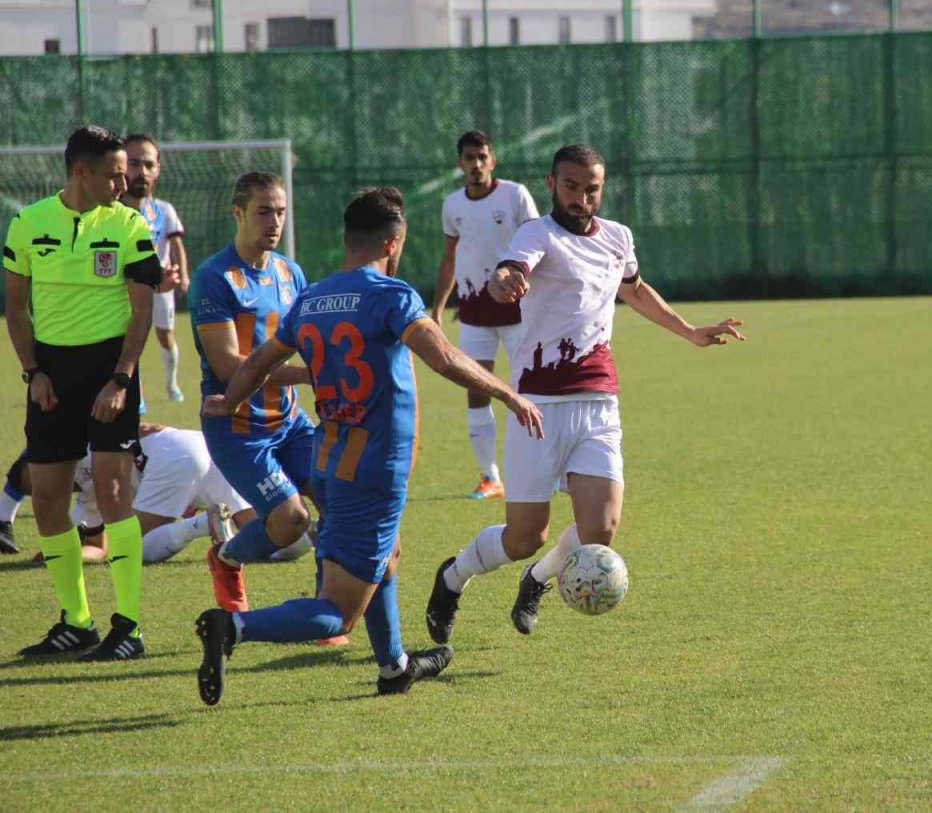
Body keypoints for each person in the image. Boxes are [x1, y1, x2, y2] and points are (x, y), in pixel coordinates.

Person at [194, 187, 544, 704]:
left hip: (329, 457)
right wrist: (508, 393)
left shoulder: (311, 299)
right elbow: (444, 357)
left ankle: (393, 666)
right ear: (392, 243)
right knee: (338, 612)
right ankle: (232, 627)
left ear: (346, 240)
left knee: (388, 555)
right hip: (374, 469)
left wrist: (228, 402)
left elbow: (258, 362)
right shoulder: (391, 295)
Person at [425, 144, 744, 643]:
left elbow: (634, 289)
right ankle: (453, 576)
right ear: (552, 184)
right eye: (571, 186)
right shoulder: (537, 234)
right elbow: (511, 269)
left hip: (599, 403)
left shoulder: (618, 237)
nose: (581, 197)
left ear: (602, 188)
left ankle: (536, 580)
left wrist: (689, 330)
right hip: (538, 407)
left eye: (591, 188)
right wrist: (505, 281)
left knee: (600, 531)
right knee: (524, 537)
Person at [4, 125, 179, 661]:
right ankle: (77, 621)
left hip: (109, 372)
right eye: (114, 174)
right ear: (81, 172)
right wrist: (34, 372)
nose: (124, 184)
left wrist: (121, 379)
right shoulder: (28, 224)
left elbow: (142, 309)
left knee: (113, 492)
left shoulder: (129, 224)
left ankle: (129, 627)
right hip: (51, 375)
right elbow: (16, 308)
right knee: (48, 496)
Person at [190, 171, 317, 614]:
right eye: (264, 212)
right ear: (238, 213)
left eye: (281, 212)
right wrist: (308, 376)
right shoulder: (214, 277)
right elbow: (229, 367)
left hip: (290, 422)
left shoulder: (290, 272)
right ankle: (227, 558)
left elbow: (310, 339)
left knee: (339, 503)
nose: (275, 221)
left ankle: (329, 606)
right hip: (238, 428)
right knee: (291, 520)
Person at [5, 425, 312, 565]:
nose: (45, 488)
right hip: (197, 445)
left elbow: (126, 427)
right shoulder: (86, 497)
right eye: (35, 490)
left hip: (172, 456)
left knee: (130, 548)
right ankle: (320, 534)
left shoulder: (78, 446)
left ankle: (203, 525)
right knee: (278, 539)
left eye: (37, 480)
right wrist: (67, 555)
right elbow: (97, 548)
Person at [431, 131, 540, 500]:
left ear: (492, 160)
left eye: (482, 157)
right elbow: (449, 259)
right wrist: (438, 308)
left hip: (519, 310)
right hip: (474, 314)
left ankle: (547, 467)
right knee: (477, 390)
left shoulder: (515, 195)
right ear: (459, 163)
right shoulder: (452, 205)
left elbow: (540, 243)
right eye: (469, 157)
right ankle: (490, 477)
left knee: (534, 388)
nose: (476, 164)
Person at [120, 133, 190, 402]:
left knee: (165, 335)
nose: (142, 171)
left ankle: (172, 385)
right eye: (134, 163)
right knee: (124, 341)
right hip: (120, 290)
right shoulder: (106, 213)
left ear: (158, 169)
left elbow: (176, 245)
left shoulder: (164, 210)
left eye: (149, 165)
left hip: (159, 285)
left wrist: (183, 275)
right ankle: (131, 392)